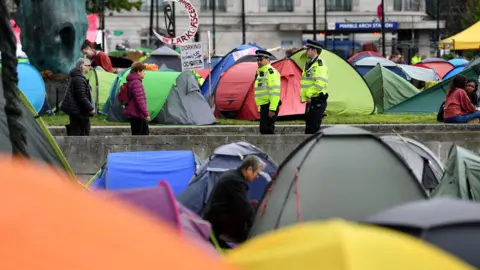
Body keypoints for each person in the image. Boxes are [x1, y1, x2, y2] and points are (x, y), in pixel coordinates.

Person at [203, 156, 266, 248]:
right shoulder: (235, 181)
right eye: (257, 173)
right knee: (246, 214)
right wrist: (255, 228)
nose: (257, 177)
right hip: (216, 223)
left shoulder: (233, 175)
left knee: (254, 203)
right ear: (249, 169)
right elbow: (244, 207)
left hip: (218, 216)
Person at [61, 58, 95, 136]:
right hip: (79, 112)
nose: (90, 67)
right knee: (80, 134)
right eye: (88, 65)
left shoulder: (77, 77)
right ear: (82, 66)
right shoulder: (79, 79)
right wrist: (90, 108)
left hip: (76, 111)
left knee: (77, 132)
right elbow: (82, 96)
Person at [301, 40, 329, 134]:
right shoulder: (310, 64)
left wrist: (309, 94)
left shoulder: (320, 65)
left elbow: (320, 83)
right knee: (309, 129)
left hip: (317, 100)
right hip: (311, 100)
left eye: (308, 49)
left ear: (314, 51)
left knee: (312, 130)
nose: (306, 51)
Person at [254, 50, 281, 134]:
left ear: (267, 60)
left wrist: (272, 109)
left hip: (269, 106)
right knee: (265, 130)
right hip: (264, 107)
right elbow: (260, 92)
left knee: (266, 130)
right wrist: (260, 108)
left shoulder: (270, 72)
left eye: (260, 59)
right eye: (257, 60)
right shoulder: (261, 72)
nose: (258, 62)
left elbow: (275, 91)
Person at [124, 62, 150, 135]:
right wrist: (146, 114)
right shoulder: (136, 83)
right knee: (142, 135)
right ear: (138, 71)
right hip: (137, 114)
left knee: (136, 134)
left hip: (133, 113)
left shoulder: (131, 81)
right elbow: (140, 100)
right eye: (143, 71)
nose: (144, 73)